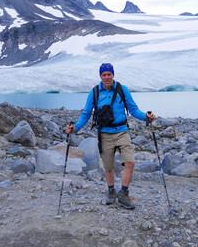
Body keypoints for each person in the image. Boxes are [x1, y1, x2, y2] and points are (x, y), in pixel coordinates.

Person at [66, 63, 156, 209]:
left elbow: (133, 110)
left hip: (122, 131)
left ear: (113, 75)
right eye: (104, 74)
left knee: (130, 162)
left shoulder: (122, 89)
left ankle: (124, 194)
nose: (107, 77)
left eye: (109, 74)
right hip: (104, 134)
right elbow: (86, 114)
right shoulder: (94, 93)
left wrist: (146, 117)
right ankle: (111, 191)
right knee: (108, 167)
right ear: (100, 76)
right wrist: (74, 128)